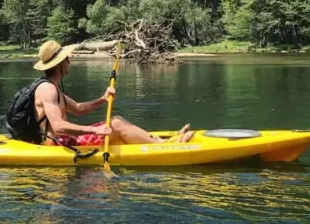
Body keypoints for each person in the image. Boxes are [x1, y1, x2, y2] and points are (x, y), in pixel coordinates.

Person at [32, 40, 194, 147]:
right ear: (59, 64)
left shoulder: (54, 87)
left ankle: (160, 141)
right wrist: (94, 130)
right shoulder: (48, 90)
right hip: (61, 143)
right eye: (66, 59)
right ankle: (163, 148)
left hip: (65, 140)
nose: (69, 61)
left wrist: (103, 99)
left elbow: (78, 109)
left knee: (116, 120)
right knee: (115, 125)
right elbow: (59, 127)